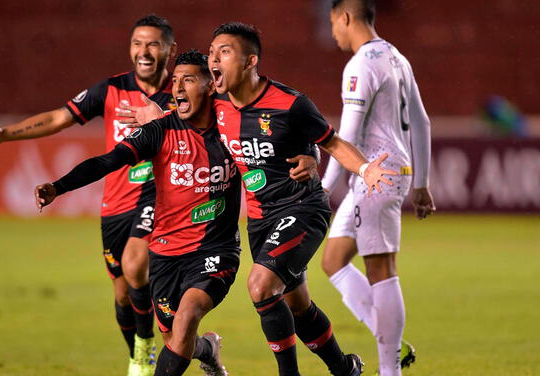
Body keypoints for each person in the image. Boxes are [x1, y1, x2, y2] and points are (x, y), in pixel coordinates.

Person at [126, 21, 397, 376]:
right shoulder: (216, 105)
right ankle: (344, 368)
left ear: (250, 61)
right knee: (297, 304)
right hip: (260, 219)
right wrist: (157, 115)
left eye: (224, 52)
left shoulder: (291, 103)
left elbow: (329, 141)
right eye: (211, 53)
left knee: (261, 285)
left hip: (301, 208)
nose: (213, 60)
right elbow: (182, 108)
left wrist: (362, 169)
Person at [0, 14, 179, 376]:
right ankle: (139, 349)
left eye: (153, 43)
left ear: (170, 49)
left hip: (157, 193)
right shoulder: (110, 89)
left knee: (136, 263)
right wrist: (5, 134)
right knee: (122, 293)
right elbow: (59, 118)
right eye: (137, 42)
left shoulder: (181, 94)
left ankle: (147, 346)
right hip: (115, 202)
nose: (144, 50)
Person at [35, 49, 241, 376]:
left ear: (210, 85)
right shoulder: (160, 130)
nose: (177, 88)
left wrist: (305, 161)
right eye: (175, 80)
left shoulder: (233, 127)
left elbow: (274, 138)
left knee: (187, 316)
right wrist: (59, 187)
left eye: (188, 80)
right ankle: (209, 349)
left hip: (216, 250)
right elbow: (107, 161)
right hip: (164, 253)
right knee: (177, 336)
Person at [320, 1, 435, 375]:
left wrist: (324, 187)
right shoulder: (397, 57)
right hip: (379, 176)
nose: (334, 31)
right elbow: (422, 120)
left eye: (334, 22)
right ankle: (393, 344)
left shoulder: (361, 65)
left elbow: (347, 135)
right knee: (333, 260)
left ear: (346, 17)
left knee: (381, 269)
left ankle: (390, 369)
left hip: (377, 176)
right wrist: (420, 183)